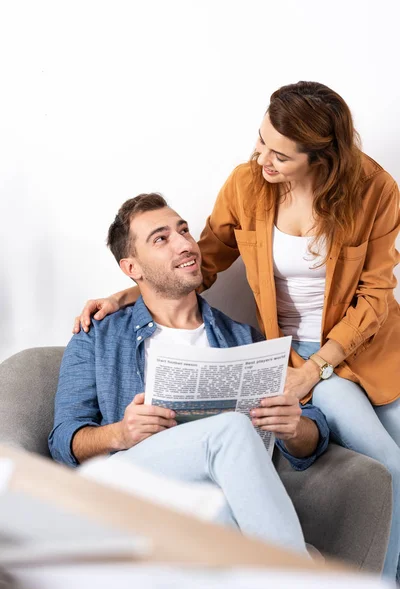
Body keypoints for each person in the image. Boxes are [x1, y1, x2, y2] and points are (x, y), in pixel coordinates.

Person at [72, 82, 400, 581]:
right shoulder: (248, 186)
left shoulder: (375, 190)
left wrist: (313, 375)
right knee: (390, 473)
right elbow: (200, 260)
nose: (262, 158)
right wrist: (127, 293)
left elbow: (376, 295)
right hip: (296, 360)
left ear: (321, 157)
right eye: (261, 140)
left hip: (366, 348)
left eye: (280, 155)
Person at [51, 193, 329, 555]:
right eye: (161, 238)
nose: (185, 244)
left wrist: (295, 427)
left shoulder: (241, 339)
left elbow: (312, 433)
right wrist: (121, 432)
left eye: (184, 230)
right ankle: (301, 577)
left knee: (222, 514)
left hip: (206, 493)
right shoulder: (97, 335)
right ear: (132, 269)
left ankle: (285, 574)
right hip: (132, 480)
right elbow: (62, 442)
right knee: (230, 429)